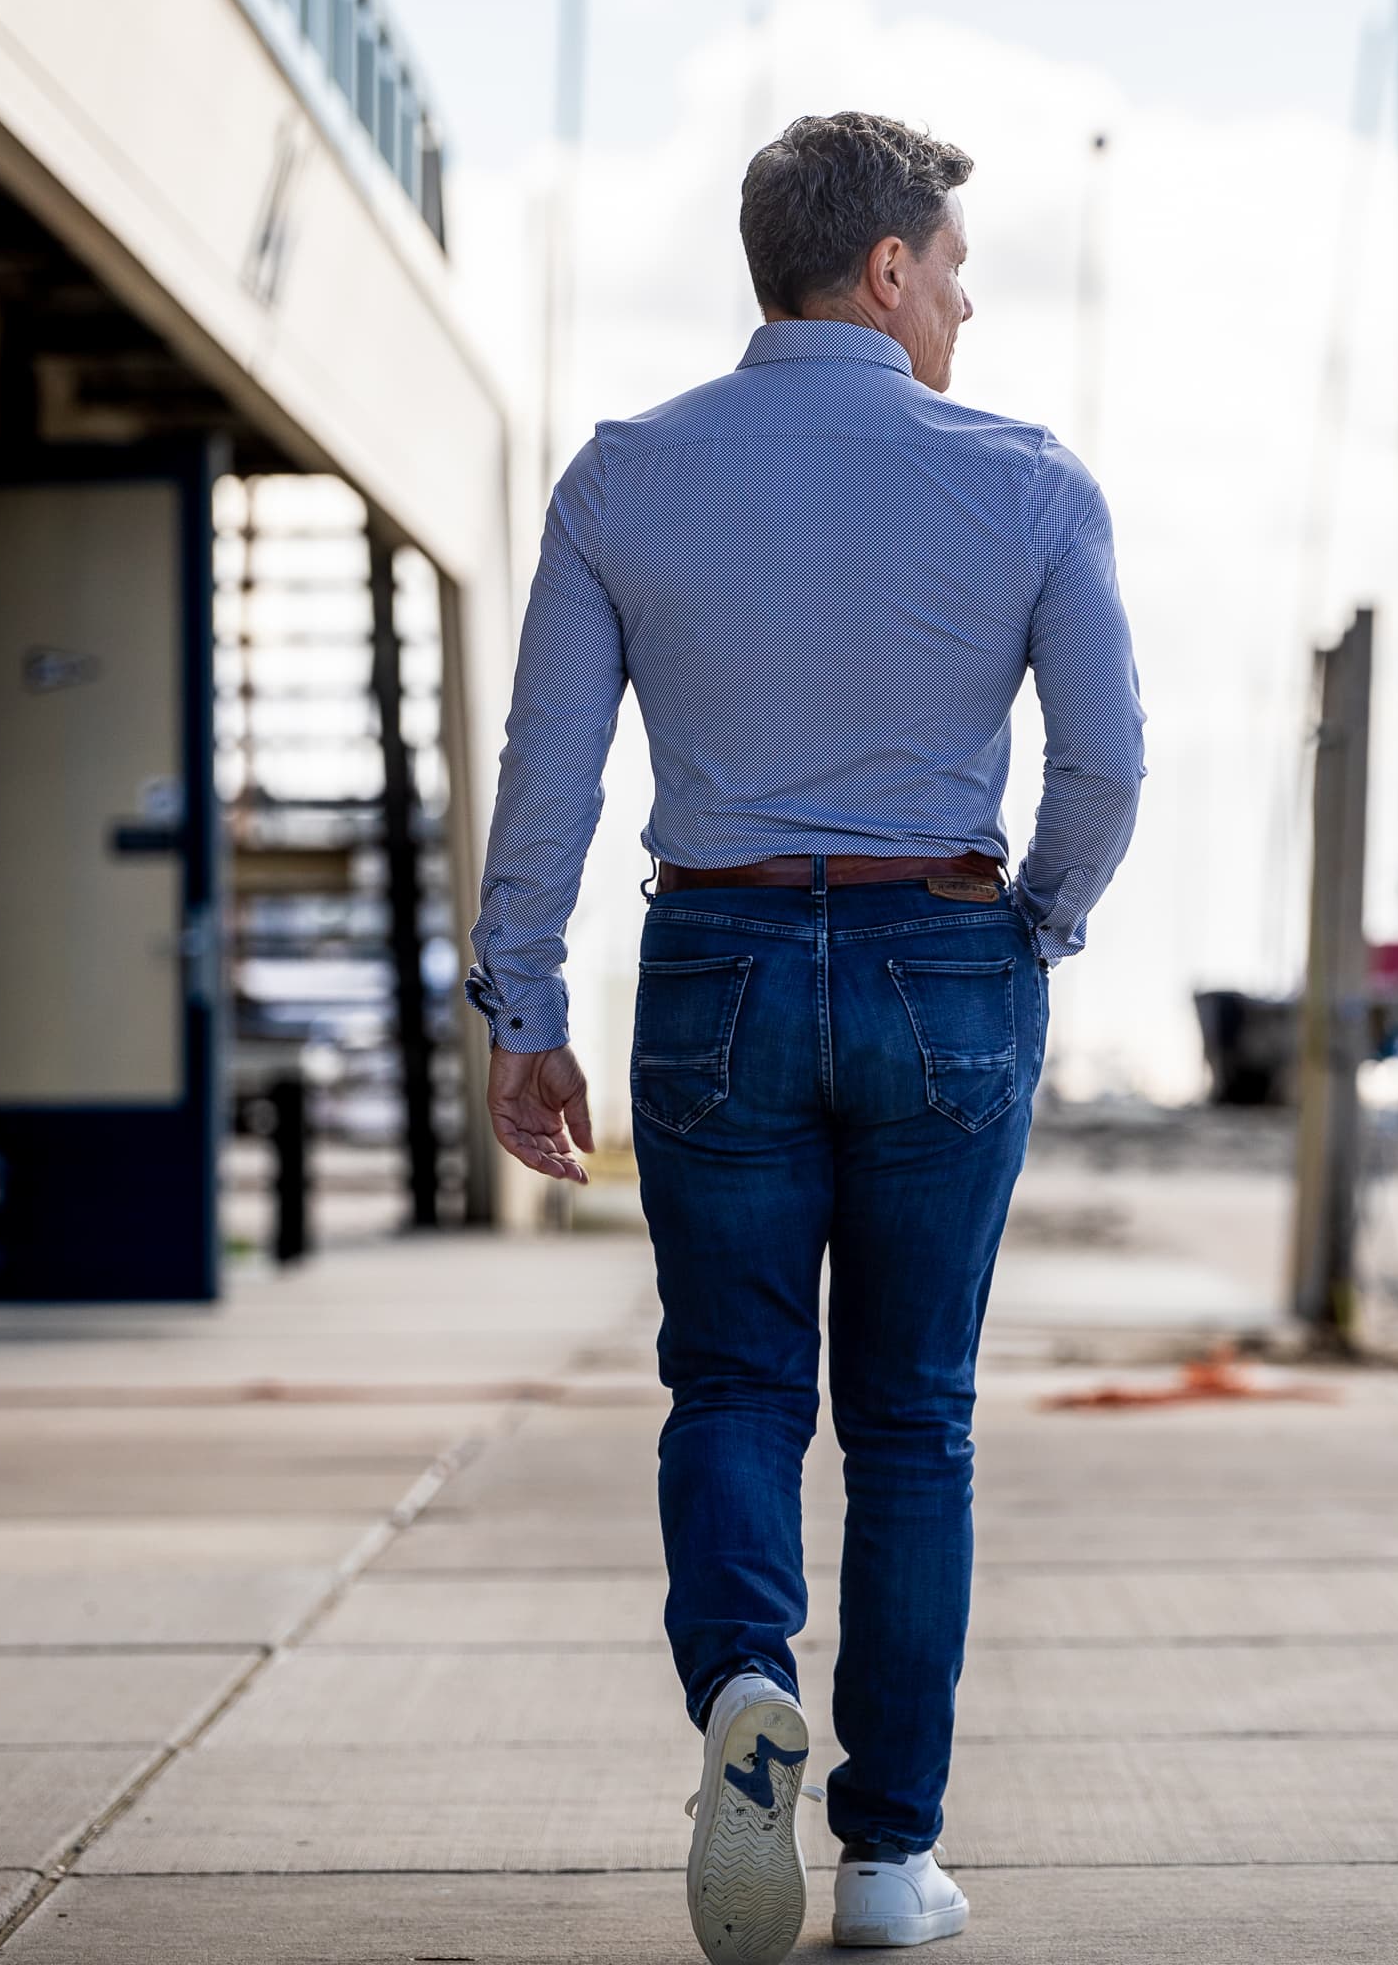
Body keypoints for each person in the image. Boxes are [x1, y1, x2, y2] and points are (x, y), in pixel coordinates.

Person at [462, 110, 1145, 1961]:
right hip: (943, 951)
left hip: (717, 965)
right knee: (913, 1422)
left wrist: (523, 1006)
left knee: (736, 1387)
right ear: (887, 269)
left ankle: (745, 1687)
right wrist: (1033, 935)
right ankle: (886, 1862)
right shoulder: (1025, 479)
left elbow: (553, 769)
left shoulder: (622, 477)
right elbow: (1104, 761)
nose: (971, 307)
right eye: (957, 269)